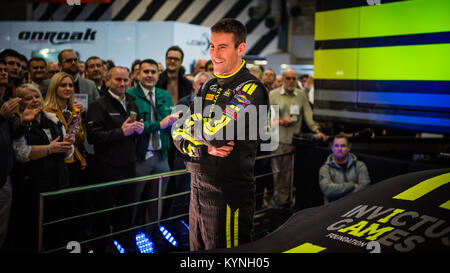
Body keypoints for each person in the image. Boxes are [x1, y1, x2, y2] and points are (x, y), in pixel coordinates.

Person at [172, 18, 269, 251]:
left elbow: (216, 135)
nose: (215, 53)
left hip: (228, 192)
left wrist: (192, 127)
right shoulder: (208, 85)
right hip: (197, 184)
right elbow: (176, 130)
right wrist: (201, 145)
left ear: (241, 48)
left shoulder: (251, 89)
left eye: (222, 47)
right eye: (212, 46)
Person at [86, 66, 144, 251]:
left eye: (125, 80)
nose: (122, 84)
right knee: (102, 216)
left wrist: (139, 131)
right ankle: (101, 248)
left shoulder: (132, 103)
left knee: (125, 214)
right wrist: (121, 132)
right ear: (108, 80)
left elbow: (133, 132)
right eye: (118, 80)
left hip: (128, 166)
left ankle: (124, 247)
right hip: (106, 168)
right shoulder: (98, 105)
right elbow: (93, 137)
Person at [11, 83, 75, 251]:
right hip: (33, 185)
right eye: (28, 98)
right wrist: (49, 149)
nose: (34, 100)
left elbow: (66, 154)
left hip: (59, 181)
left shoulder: (53, 119)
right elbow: (21, 154)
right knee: (34, 233)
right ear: (19, 102)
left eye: (37, 96)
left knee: (57, 230)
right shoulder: (18, 123)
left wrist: (68, 145)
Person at [126, 59, 179, 226]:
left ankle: (152, 234)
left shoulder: (164, 95)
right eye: (146, 71)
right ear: (137, 74)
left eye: (153, 72)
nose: (149, 75)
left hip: (161, 155)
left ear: (158, 74)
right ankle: (128, 237)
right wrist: (159, 124)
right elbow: (135, 126)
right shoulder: (130, 95)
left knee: (157, 203)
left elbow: (169, 125)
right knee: (132, 203)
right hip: (139, 156)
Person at [268, 68, 327, 207]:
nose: (291, 81)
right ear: (282, 79)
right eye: (288, 78)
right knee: (276, 175)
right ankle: (276, 203)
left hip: (293, 143)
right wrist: (281, 121)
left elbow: (308, 115)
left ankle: (284, 204)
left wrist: (317, 130)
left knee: (289, 176)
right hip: (276, 141)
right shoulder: (273, 95)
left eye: (293, 78)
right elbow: (266, 119)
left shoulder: (300, 95)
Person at [43, 72, 87, 187]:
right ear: (54, 88)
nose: (68, 88)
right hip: (56, 165)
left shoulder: (74, 110)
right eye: (63, 85)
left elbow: (81, 141)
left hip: (75, 162)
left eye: (70, 85)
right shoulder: (47, 111)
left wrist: (76, 134)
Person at [319, 134, 371, 202]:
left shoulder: (359, 165)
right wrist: (352, 185)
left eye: (343, 146)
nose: (339, 149)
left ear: (349, 148)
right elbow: (328, 191)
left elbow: (365, 188)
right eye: (336, 146)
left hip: (356, 205)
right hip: (333, 208)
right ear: (332, 148)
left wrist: (337, 190)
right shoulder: (325, 169)